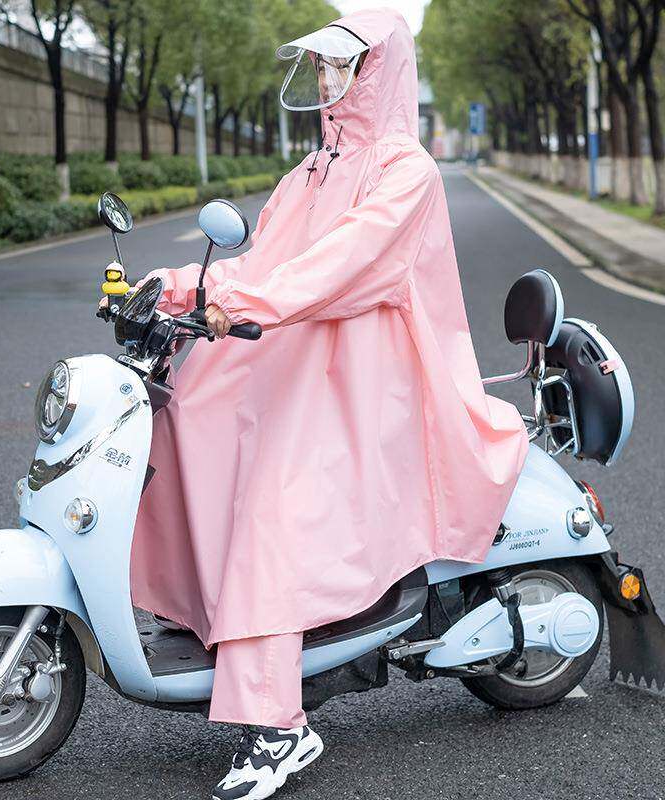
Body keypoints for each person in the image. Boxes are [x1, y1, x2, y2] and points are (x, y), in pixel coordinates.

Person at [129, 9, 529, 800]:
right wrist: (179, 285)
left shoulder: (404, 170)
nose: (326, 78)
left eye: (343, 65)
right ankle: (208, 615)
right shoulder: (308, 170)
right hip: (299, 354)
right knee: (182, 415)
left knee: (273, 505)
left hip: (370, 378)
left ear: (380, 70)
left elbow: (342, 269)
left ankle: (279, 727)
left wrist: (245, 302)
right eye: (320, 66)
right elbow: (264, 261)